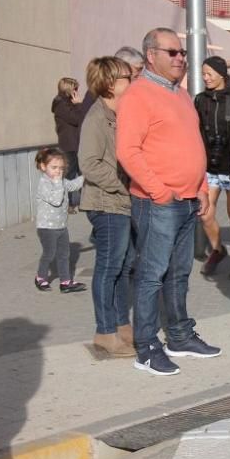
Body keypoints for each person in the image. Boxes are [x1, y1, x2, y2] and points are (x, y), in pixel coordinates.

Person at [117, 27, 222, 376]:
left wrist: (202, 188)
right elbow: (127, 151)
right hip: (158, 202)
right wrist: (159, 191)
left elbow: (194, 145)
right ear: (151, 56)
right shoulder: (138, 94)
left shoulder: (180, 94)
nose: (181, 58)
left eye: (182, 53)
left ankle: (179, 335)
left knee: (180, 273)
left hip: (189, 200)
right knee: (151, 276)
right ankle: (146, 348)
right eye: (173, 52)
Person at [79, 56, 136, 357]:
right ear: (111, 84)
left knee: (124, 266)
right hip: (106, 204)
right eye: (128, 76)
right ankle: (105, 331)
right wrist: (121, 185)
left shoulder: (117, 114)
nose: (133, 81)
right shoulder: (96, 118)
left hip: (120, 203)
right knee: (109, 268)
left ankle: (121, 325)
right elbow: (88, 164)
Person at [193, 56, 230, 278]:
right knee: (205, 213)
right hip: (209, 167)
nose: (205, 78)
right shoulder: (199, 100)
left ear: (221, 74)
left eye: (209, 73)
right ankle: (217, 249)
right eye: (203, 74)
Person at [34, 147, 87, 293]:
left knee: (64, 254)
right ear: (43, 167)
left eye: (61, 168)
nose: (58, 171)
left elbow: (73, 185)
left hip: (61, 226)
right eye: (54, 167)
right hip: (46, 227)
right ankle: (40, 277)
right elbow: (56, 200)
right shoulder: (44, 184)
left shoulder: (61, 181)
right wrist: (58, 183)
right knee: (49, 253)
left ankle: (65, 282)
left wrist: (86, 176)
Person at [51, 77, 86, 213]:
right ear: (68, 89)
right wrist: (79, 104)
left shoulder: (67, 103)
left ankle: (84, 203)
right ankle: (70, 204)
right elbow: (77, 119)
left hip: (76, 144)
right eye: (75, 88)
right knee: (70, 175)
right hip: (69, 145)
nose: (77, 91)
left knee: (83, 173)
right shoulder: (60, 104)